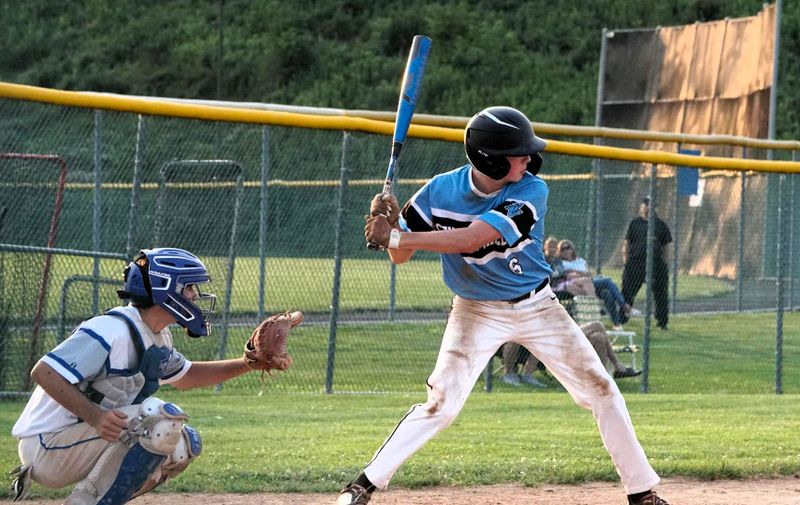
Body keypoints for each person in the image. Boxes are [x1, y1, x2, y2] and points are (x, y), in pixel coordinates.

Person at [338, 106, 669, 505]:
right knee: (442, 404)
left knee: (601, 389)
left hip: (538, 307)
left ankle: (642, 493)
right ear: (490, 160)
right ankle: (363, 485)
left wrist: (394, 237)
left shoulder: (531, 190)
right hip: (475, 311)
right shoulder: (439, 191)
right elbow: (401, 256)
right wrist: (390, 225)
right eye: (518, 152)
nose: (528, 158)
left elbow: (472, 239)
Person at [10, 248, 290, 504]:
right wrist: (96, 418)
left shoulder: (155, 336)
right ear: (165, 289)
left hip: (74, 442)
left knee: (183, 444)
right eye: (189, 287)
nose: (194, 295)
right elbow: (44, 372)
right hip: (46, 445)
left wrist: (248, 363)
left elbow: (187, 376)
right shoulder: (111, 329)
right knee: (159, 423)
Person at [555, 239, 632, 328]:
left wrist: (578, 272)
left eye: (568, 248)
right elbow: (568, 276)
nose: (566, 251)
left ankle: (616, 324)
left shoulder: (580, 261)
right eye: (562, 249)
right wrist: (581, 274)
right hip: (577, 284)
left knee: (606, 293)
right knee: (607, 281)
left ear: (572, 249)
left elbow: (589, 273)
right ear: (559, 251)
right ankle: (623, 305)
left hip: (590, 282)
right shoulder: (562, 263)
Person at [621, 196, 672, 330]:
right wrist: (626, 260)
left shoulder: (660, 225)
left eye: (650, 204)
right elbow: (627, 243)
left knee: (661, 293)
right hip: (636, 262)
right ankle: (622, 317)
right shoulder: (635, 223)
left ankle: (662, 321)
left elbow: (666, 246)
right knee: (628, 291)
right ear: (641, 207)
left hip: (656, 263)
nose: (647, 207)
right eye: (645, 204)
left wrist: (665, 263)